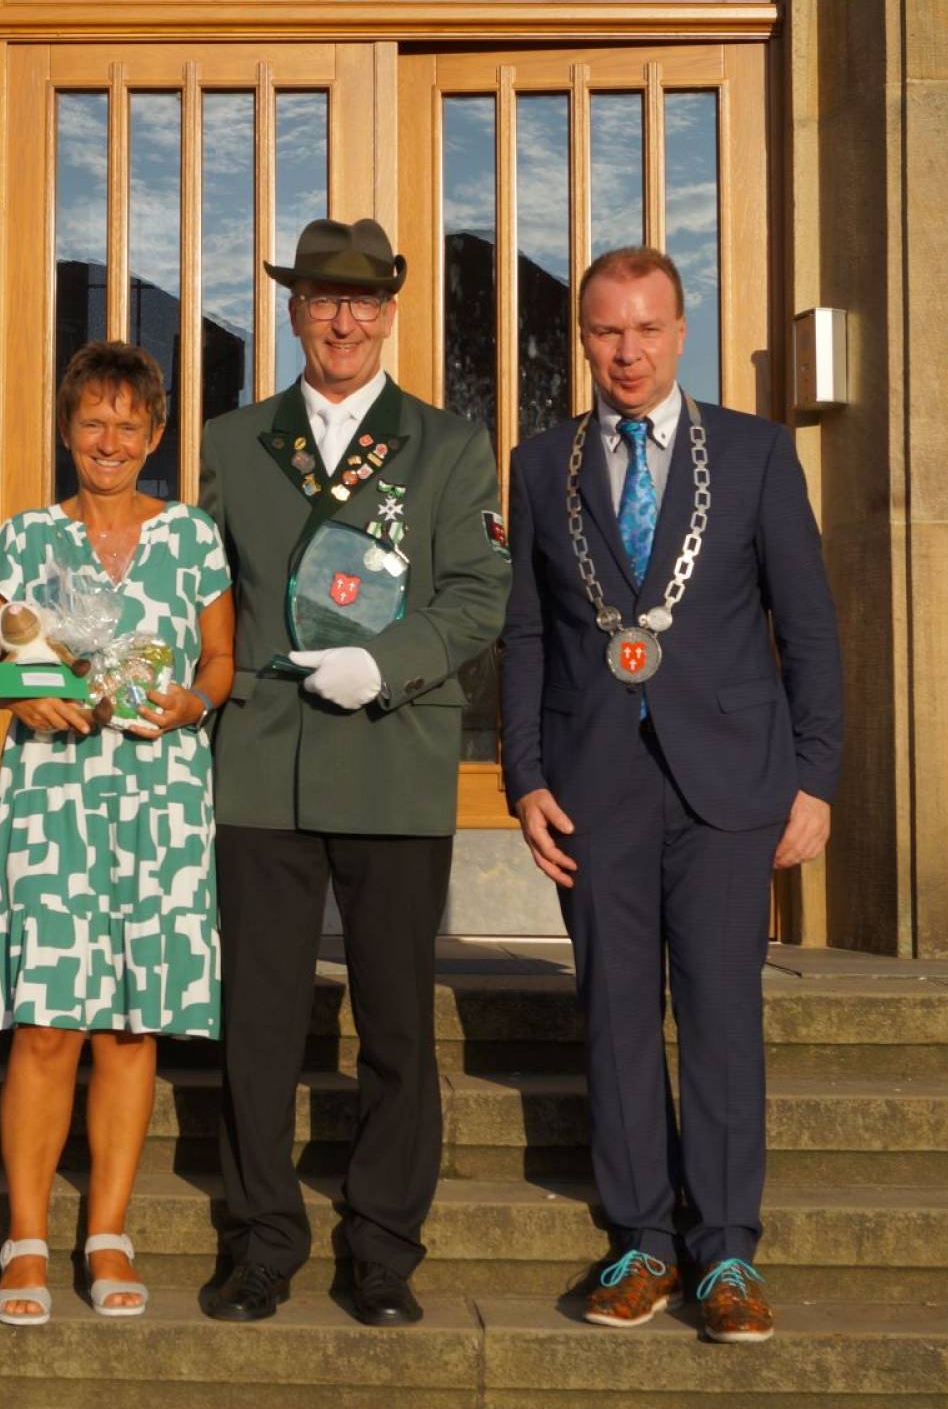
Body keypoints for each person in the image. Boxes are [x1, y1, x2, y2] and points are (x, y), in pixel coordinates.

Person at [500, 246, 843, 1343]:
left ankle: (728, 1251)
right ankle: (642, 1240)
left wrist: (817, 776)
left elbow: (811, 625)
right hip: (594, 784)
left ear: (681, 331)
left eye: (647, 328)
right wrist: (524, 775)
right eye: (607, 330)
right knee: (612, 1015)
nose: (628, 351)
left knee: (723, 1016)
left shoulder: (753, 454)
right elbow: (526, 634)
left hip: (733, 781)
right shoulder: (540, 461)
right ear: (585, 341)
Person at [199, 218, 511, 1326]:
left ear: (390, 314)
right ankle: (263, 1238)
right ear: (293, 311)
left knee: (393, 1021)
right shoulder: (233, 442)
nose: (344, 320)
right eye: (324, 300)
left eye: (365, 302)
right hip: (265, 767)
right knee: (261, 1022)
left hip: (391, 759)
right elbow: (203, 599)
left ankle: (382, 1243)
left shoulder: (447, 443)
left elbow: (479, 592)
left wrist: (382, 661)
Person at [0, 341, 234, 1326]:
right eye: (92, 422)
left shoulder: (195, 537)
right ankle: (26, 1240)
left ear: (155, 436)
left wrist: (193, 704)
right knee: (46, 1025)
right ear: (68, 430)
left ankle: (108, 1230)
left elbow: (220, 660)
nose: (109, 440)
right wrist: (22, 698)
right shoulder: (26, 537)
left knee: (130, 1025)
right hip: (54, 805)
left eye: (128, 425)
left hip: (159, 798)